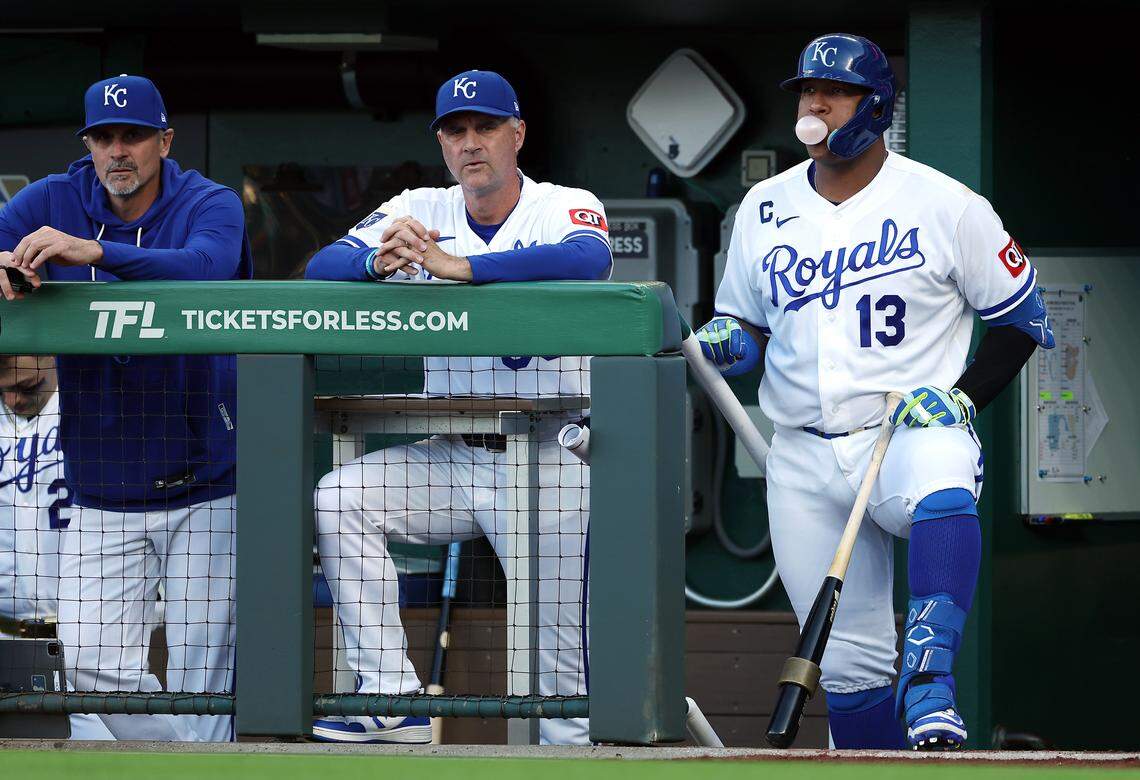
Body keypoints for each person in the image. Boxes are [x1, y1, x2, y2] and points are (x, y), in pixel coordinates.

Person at [697, 34, 1053, 751]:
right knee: (853, 670)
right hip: (800, 453)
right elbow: (747, 323)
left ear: (878, 107)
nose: (815, 104)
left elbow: (1022, 321)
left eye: (834, 90)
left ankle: (930, 680)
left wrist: (964, 396)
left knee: (943, 474)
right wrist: (732, 342)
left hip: (904, 428)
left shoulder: (946, 204)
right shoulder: (764, 207)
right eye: (806, 90)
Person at [305, 69, 612, 744]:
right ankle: (390, 694)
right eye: (456, 130)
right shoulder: (420, 206)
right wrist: (371, 265)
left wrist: (465, 270)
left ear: (517, 134)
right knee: (339, 498)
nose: (471, 142)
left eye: (486, 127)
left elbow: (589, 259)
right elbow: (320, 268)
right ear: (442, 142)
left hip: (550, 459)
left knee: (561, 683)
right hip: (453, 454)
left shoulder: (562, 203)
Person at [0, 74, 253, 741]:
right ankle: (179, 766)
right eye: (104, 137)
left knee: (206, 685)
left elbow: (210, 265)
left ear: (164, 141)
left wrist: (97, 252)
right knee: (89, 669)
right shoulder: (52, 198)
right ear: (87, 144)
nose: (119, 151)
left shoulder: (210, 201)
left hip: (208, 481)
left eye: (134, 136)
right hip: (102, 482)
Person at [0, 355, 116, 740]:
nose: (14, 400)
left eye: (26, 386)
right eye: (4, 390)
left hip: (82, 637)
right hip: (4, 635)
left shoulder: (89, 406)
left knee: (110, 746)